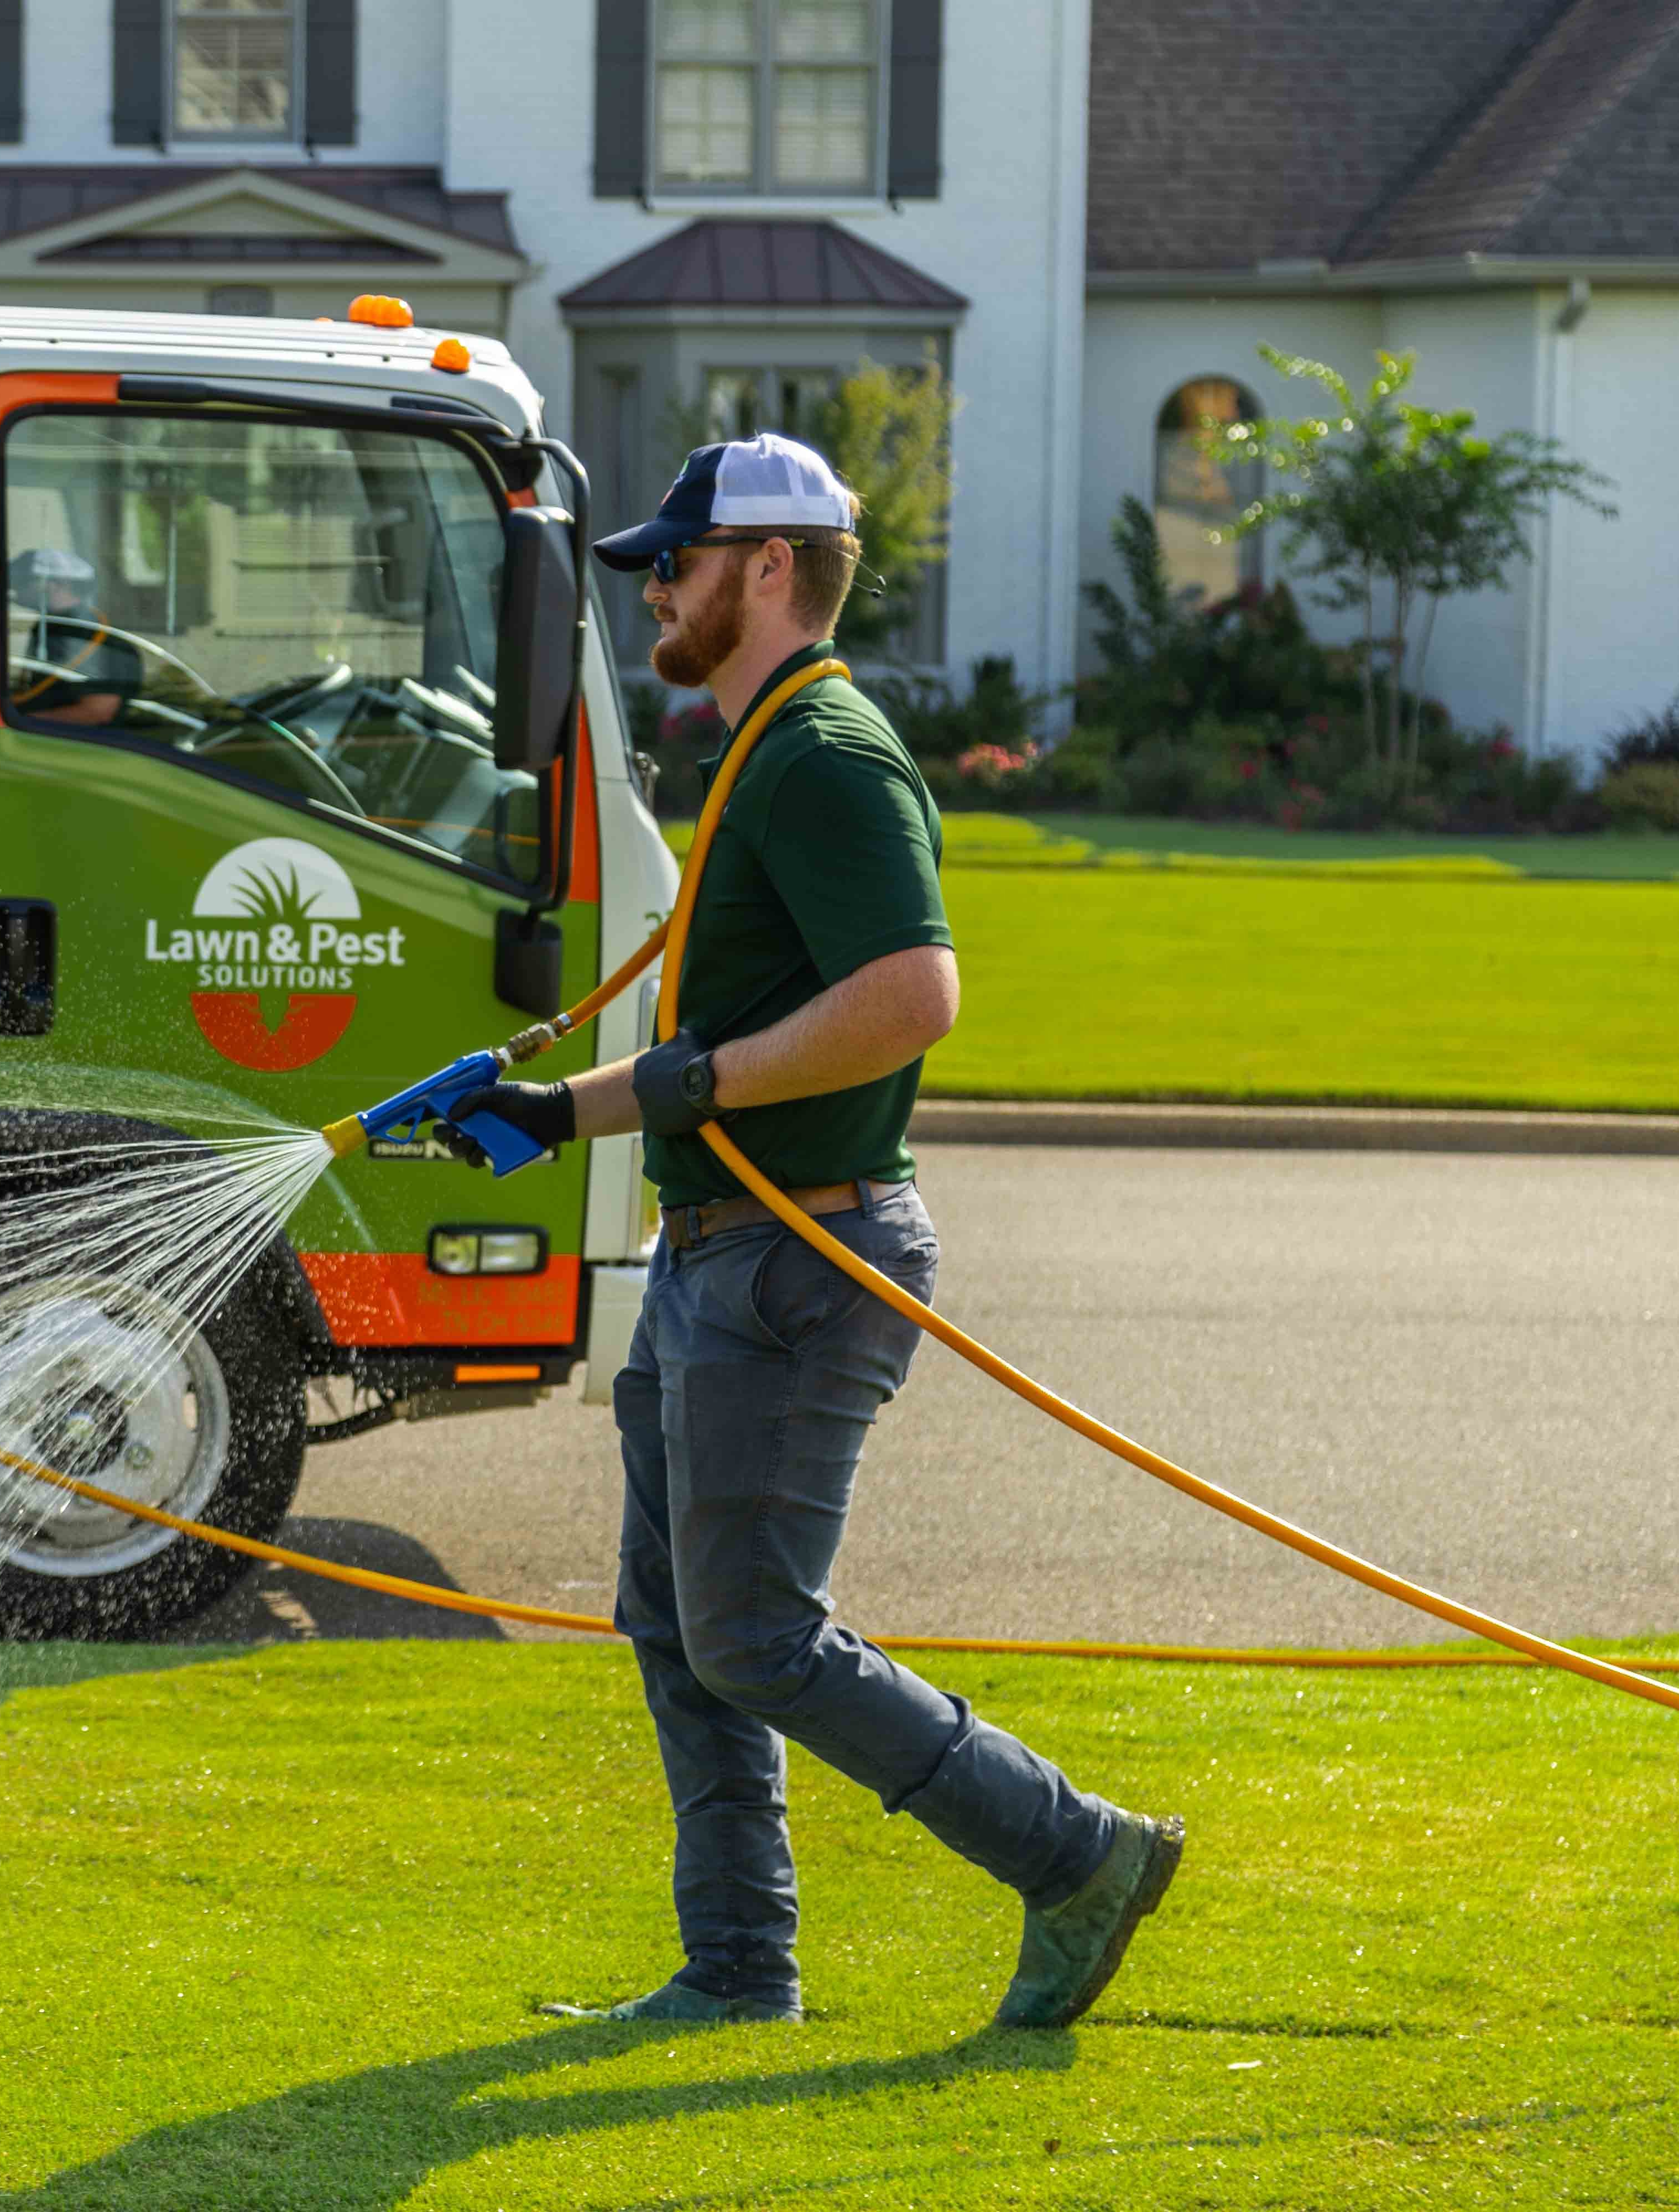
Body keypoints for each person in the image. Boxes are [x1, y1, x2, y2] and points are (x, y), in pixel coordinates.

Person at [451, 434, 1181, 2031]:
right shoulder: (762, 749)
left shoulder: (827, 754)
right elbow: (732, 1034)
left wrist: (678, 1086)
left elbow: (913, 997)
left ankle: (1079, 1858)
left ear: (768, 568)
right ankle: (736, 1971)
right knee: (677, 1626)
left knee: (760, 1638)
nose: (655, 588)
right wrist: (545, 1105)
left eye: (681, 562)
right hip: (722, 1253)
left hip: (800, 1261)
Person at [6, 546, 145, 727]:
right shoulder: (52, 627)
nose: (15, 587)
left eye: (24, 581)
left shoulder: (91, 636)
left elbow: (96, 712)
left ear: (56, 584)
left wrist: (17, 721)